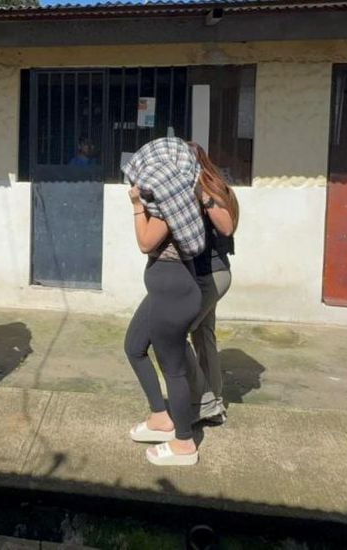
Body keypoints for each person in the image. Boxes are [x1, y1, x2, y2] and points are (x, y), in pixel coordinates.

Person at [121, 137, 205, 467]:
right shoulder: (173, 203)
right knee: (134, 347)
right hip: (164, 292)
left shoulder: (171, 209)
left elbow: (145, 242)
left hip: (173, 294)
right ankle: (160, 417)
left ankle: (184, 444)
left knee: (173, 369)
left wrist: (136, 204)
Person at [186, 143, 239, 426]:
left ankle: (203, 401)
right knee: (204, 336)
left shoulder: (213, 188)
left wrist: (201, 194)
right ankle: (213, 404)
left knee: (177, 331)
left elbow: (227, 227)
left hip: (214, 274)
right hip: (201, 275)